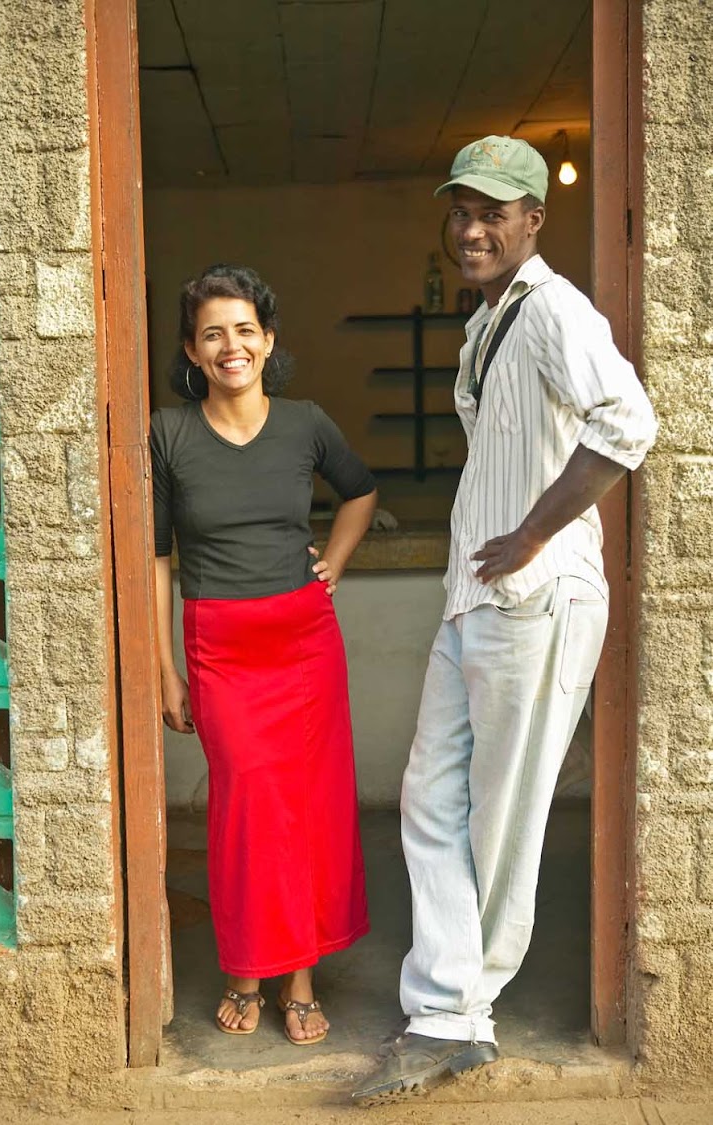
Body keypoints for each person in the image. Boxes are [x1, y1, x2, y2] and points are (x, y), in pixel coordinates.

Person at [354, 136, 657, 1099]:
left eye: (494, 212)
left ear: (534, 219)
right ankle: (449, 1005)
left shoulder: (556, 310)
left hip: (536, 596)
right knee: (431, 800)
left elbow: (628, 423)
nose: (473, 229)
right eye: (460, 212)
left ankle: (456, 1014)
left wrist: (531, 533)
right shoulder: (492, 321)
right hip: (475, 598)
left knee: (504, 816)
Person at [151, 264, 377, 1046]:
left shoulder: (305, 421)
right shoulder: (168, 432)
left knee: (306, 811)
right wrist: (164, 669)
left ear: (268, 339)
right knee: (246, 810)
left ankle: (300, 979)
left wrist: (335, 563)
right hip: (221, 646)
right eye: (213, 331)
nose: (231, 345)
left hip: (305, 641)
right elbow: (157, 558)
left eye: (245, 329)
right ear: (192, 348)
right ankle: (246, 966)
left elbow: (361, 490)